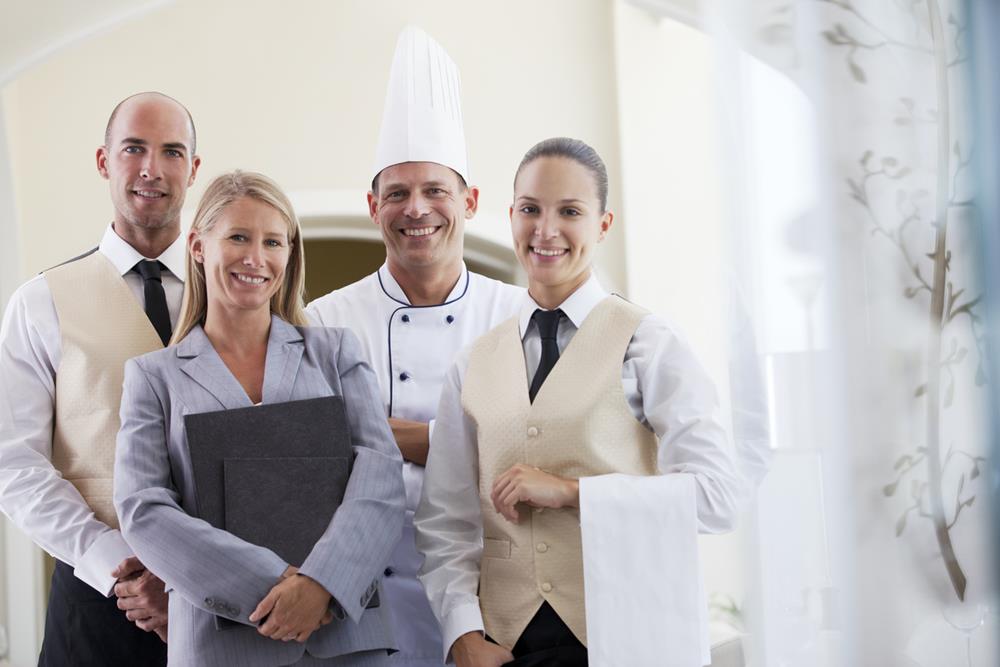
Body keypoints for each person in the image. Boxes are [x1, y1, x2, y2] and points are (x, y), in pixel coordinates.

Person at [415, 138, 743, 667]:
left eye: (569, 211)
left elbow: (719, 497)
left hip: (629, 640)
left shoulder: (649, 343)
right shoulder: (471, 364)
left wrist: (573, 493)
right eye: (530, 209)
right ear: (511, 216)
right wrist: (462, 635)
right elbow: (445, 522)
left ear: (603, 224)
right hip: (507, 647)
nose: (545, 231)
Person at [113, 170, 405, 666]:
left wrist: (323, 585)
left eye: (273, 241)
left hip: (344, 641)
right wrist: (277, 589)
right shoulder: (153, 377)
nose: (256, 258)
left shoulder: (335, 353)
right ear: (199, 246)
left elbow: (380, 476)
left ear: (290, 255)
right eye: (239, 237)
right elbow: (143, 510)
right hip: (220, 645)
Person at [306, 27, 522, 667]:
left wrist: (385, 433)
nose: (416, 209)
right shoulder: (324, 320)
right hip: (365, 597)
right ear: (373, 207)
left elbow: (538, 452)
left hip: (497, 596)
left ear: (471, 202)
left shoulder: (516, 317)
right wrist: (463, 439)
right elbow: (313, 452)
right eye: (396, 193)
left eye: (435, 191)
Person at [0, 91, 201, 665]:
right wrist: (121, 568)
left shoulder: (234, 296)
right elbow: (14, 463)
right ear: (103, 161)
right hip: (96, 606)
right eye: (133, 148)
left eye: (172, 152)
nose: (151, 169)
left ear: (193, 169)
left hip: (225, 604)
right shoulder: (40, 302)